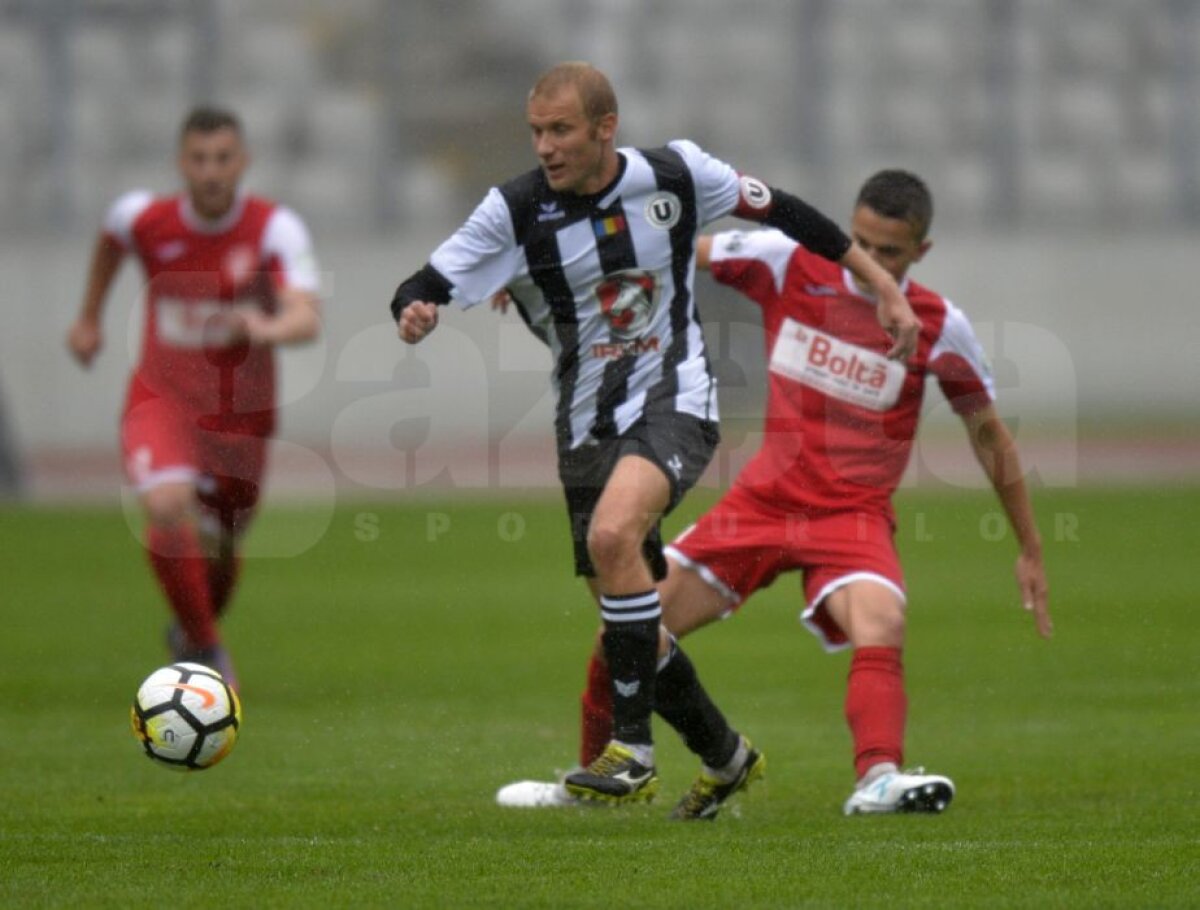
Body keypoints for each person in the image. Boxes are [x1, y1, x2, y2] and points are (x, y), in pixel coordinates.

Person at [391, 61, 920, 808]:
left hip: (677, 397)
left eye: (561, 130)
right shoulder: (513, 209)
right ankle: (726, 755)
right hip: (584, 425)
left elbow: (791, 214)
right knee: (630, 623)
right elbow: (424, 282)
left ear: (606, 128)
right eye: (536, 131)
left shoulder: (676, 173)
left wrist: (886, 285)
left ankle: (630, 751)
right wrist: (416, 312)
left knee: (613, 540)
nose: (544, 146)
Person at [497, 169, 1052, 819]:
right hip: (762, 504)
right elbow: (666, 243)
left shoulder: (938, 324)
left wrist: (1030, 546)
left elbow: (988, 434)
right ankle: (590, 784)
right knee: (628, 622)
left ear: (921, 252)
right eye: (861, 243)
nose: (868, 263)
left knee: (883, 621)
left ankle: (878, 778)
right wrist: (545, 268)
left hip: (852, 517)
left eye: (889, 253)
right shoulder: (788, 259)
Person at [66, 107, 322, 690]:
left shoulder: (274, 229)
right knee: (165, 504)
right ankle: (207, 653)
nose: (211, 172)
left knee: (222, 548)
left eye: (223, 159)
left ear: (244, 161)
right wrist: (88, 318)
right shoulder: (145, 218)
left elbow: (306, 316)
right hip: (163, 400)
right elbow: (111, 243)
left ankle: (192, 628)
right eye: (199, 160)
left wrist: (263, 327)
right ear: (181, 163)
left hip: (241, 414)